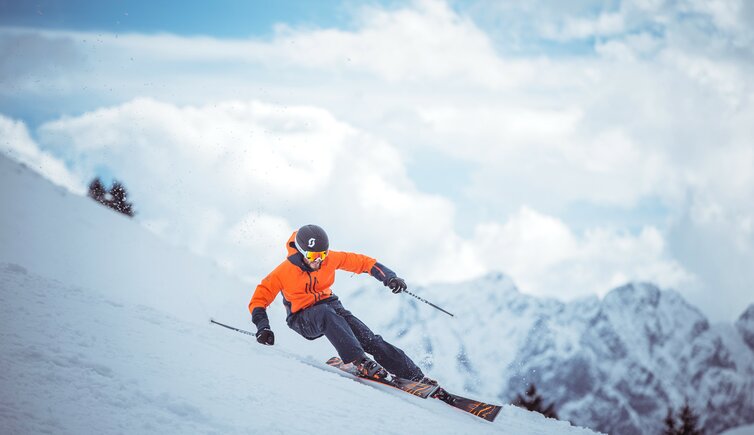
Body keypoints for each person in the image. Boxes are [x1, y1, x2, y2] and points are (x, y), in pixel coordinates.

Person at [249, 224, 436, 385]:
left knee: (369, 339)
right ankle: (359, 361)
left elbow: (363, 263)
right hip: (302, 317)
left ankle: (414, 376)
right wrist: (263, 327)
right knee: (325, 313)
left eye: (322, 254)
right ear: (300, 252)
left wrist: (389, 277)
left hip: (331, 306)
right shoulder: (283, 272)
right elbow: (259, 298)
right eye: (313, 255)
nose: (319, 260)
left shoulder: (329, 259)